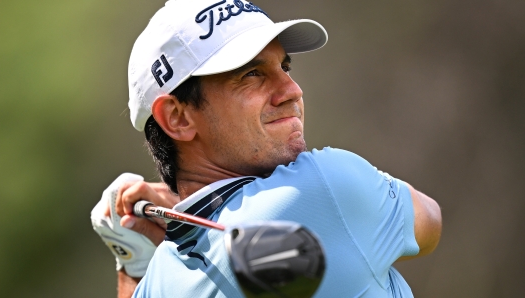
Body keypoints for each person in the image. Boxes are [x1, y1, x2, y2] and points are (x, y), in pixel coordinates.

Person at [91, 0, 442, 297]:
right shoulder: (324, 186)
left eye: (284, 66)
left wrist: (134, 261)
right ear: (178, 118)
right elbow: (429, 221)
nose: (292, 90)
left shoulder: (161, 281)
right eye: (251, 74)